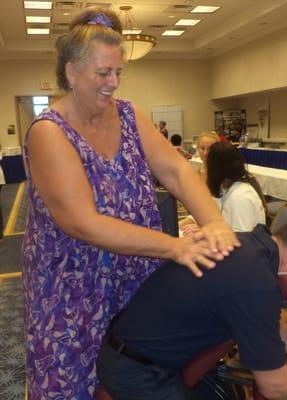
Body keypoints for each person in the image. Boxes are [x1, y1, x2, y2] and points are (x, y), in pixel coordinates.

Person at [21, 7, 239, 400]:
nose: (113, 83)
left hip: (135, 273)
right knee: (75, 379)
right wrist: (174, 246)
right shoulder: (49, 132)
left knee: (135, 372)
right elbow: (82, 223)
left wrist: (214, 221)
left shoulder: (128, 113)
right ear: (71, 72)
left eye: (118, 72)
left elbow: (175, 170)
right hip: (74, 286)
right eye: (102, 73)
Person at [97, 215, 287, 400]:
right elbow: (275, 385)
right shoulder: (255, 282)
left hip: (148, 354)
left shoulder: (251, 247)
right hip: (136, 372)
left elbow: (270, 329)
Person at [182, 142, 267, 233]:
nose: (205, 170)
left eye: (208, 166)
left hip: (246, 245)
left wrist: (208, 232)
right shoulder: (224, 188)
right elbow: (209, 212)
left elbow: (243, 242)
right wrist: (189, 222)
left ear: (216, 169)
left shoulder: (240, 197)